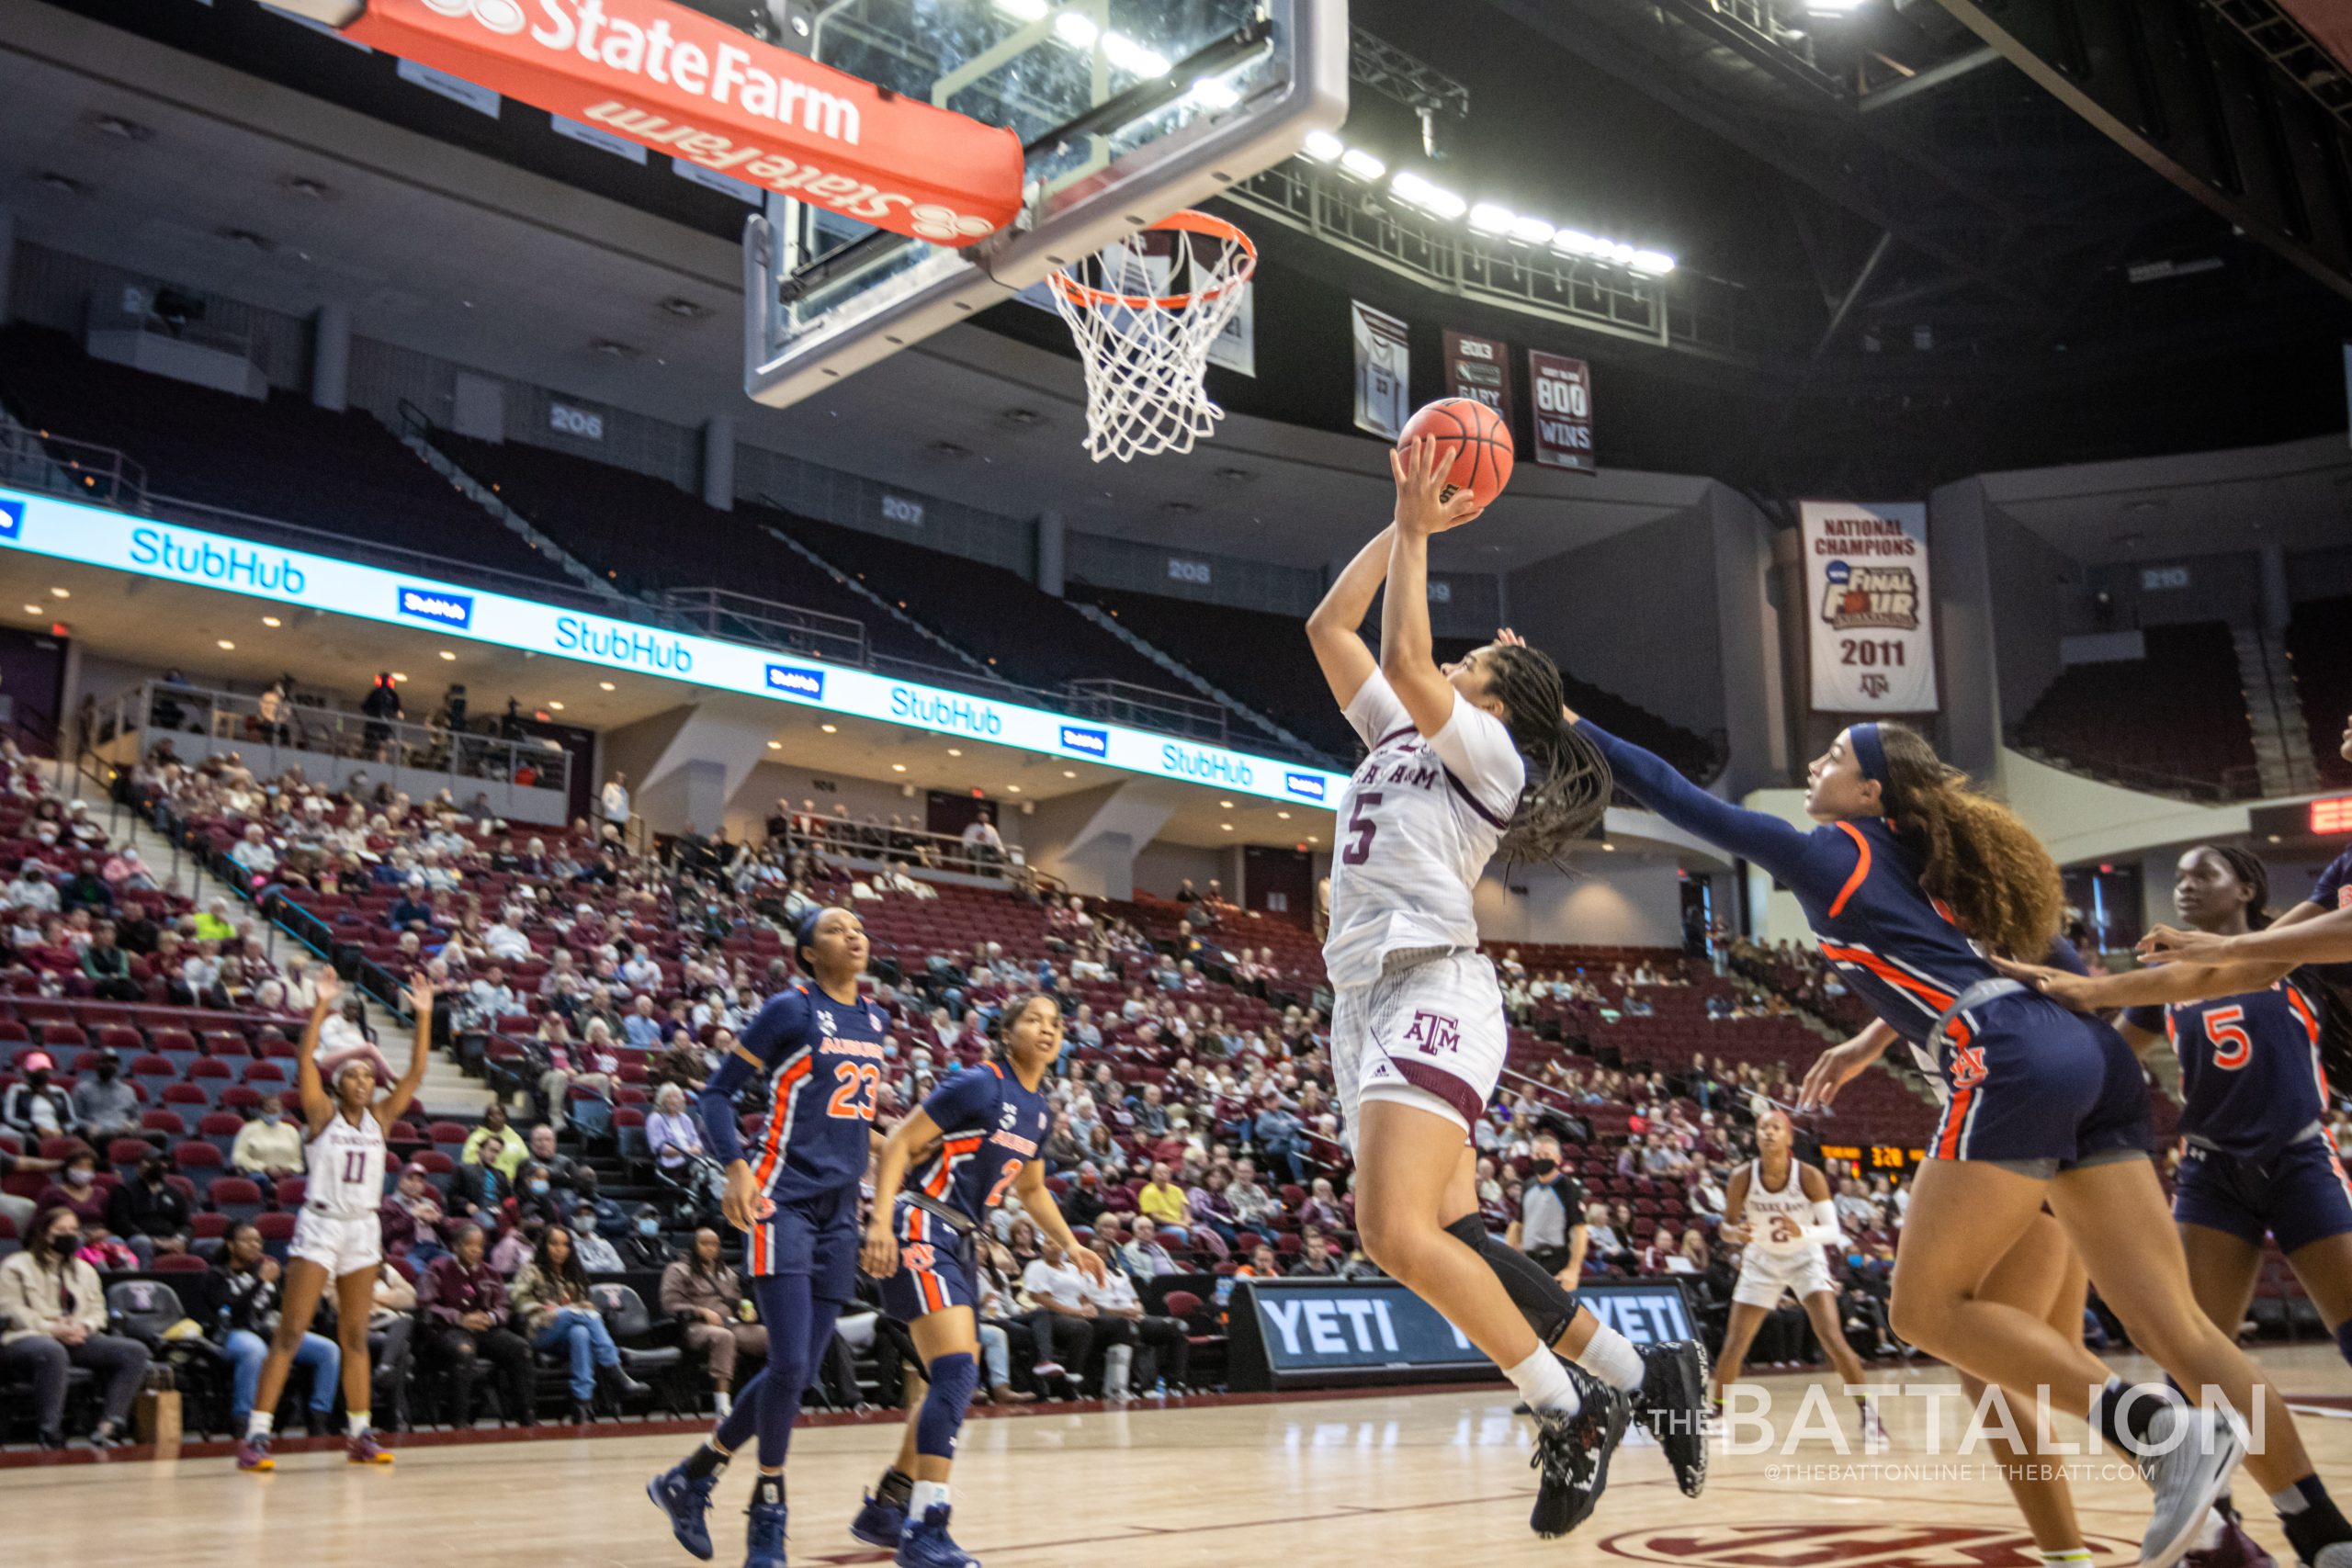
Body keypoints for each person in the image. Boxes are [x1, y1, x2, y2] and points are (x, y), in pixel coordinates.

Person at [1592, 710, 2329, 1568]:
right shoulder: (1969, 873)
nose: (1813, 763)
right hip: (2090, 1070)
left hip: (2016, 1087)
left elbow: (1679, 797)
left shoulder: (1833, 852)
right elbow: (2053, 978)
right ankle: (2313, 1532)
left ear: (1872, 793)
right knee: (2162, 1337)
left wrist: (1564, 720)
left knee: (1937, 1318)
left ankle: (2163, 1449)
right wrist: (1876, 1035)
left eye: (1834, 755)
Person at [1303, 440, 1706, 1537]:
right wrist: (1401, 526)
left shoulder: (1490, 754)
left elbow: (1403, 646)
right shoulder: (1401, 733)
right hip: (1361, 1001)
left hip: (1432, 982)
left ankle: (1565, 1407)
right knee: (1455, 1239)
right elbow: (1331, 632)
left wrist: (1422, 522)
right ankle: (1643, 1371)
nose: (1464, 655)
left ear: (1500, 694)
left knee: (1390, 1232)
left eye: (1482, 654)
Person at [645, 907, 888, 1568]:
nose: (854, 933)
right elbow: (718, 1094)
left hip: (842, 1211)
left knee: (802, 1372)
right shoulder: (790, 1008)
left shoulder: (876, 1018)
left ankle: (692, 1474)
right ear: (809, 952)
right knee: (785, 1365)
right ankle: (767, 1509)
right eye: (836, 928)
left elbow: (854, 1120)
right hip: (783, 1200)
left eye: (858, 926)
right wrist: (735, 1166)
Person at [847, 993, 1106, 1567]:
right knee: (959, 1374)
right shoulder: (977, 1084)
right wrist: (882, 1221)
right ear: (1006, 1031)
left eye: (1056, 1022)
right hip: (921, 1223)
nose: (1047, 1028)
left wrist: (1072, 1245)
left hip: (961, 1239)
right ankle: (926, 1527)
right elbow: (899, 1145)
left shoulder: (1038, 1109)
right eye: (1033, 1019)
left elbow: (1032, 1190)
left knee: (951, 1380)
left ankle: (888, 1507)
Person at [235, 971, 433, 1472]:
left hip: (362, 1228)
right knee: (292, 1330)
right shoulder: (320, 1115)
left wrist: (424, 1014)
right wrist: (321, 1004)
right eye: (353, 1075)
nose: (363, 1081)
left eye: (368, 1075)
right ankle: (257, 1434)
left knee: (355, 1334)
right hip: (321, 1225)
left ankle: (360, 1431)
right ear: (338, 1083)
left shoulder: (383, 1118)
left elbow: (414, 1071)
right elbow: (303, 1060)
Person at [1709, 1110, 1883, 1439]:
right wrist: (1737, 1234)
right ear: (1756, 1137)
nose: (1768, 1133)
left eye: (1776, 1128)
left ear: (1789, 1137)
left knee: (1832, 1337)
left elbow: (1832, 1232)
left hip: (1804, 1258)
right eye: (1763, 1128)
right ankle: (1717, 1413)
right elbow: (1726, 1230)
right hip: (1761, 1260)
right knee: (1735, 1342)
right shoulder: (1742, 1177)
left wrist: (1800, 1231)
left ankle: (1869, 1414)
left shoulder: (1809, 1176)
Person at [0, 1204, 152, 1448]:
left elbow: (98, 1310)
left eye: (73, 1230)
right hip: (25, 1338)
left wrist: (84, 1327)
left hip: (75, 1337)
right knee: (52, 1350)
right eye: (62, 1230)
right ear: (44, 1232)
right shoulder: (16, 1266)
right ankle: (49, 1430)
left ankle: (110, 1426)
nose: (69, 1235)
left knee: (134, 1351)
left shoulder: (85, 1269)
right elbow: (11, 1310)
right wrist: (52, 1328)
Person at [202, 1222, 340, 1438]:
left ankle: (319, 1416)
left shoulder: (267, 1272)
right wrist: (259, 1282)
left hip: (268, 1331)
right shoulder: (216, 1275)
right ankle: (243, 1419)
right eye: (248, 1241)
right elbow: (230, 1309)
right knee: (255, 1351)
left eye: (258, 1241)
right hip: (234, 1332)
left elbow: (277, 1308)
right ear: (231, 1245)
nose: (255, 1245)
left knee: (328, 1350)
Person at [511, 1224, 645, 1423]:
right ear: (544, 1246)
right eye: (554, 1244)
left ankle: (581, 1403)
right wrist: (541, 1307)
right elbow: (517, 1298)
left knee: (581, 1333)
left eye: (565, 1245)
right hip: (540, 1330)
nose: (559, 1249)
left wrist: (580, 1306)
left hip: (568, 1332)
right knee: (585, 1316)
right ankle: (615, 1371)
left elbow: (585, 1302)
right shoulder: (532, 1270)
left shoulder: (573, 1272)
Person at [421, 1223, 537, 1426]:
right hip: (449, 1331)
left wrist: (491, 1317)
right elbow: (427, 1306)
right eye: (469, 1245)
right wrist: (459, 1318)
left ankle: (526, 1415)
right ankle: (460, 1420)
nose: (475, 1250)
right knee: (464, 1350)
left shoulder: (491, 1273)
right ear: (455, 1247)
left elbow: (503, 1306)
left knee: (520, 1348)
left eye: (480, 1246)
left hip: (485, 1329)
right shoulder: (438, 1268)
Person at [662, 1228, 767, 1418]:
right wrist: (700, 1311)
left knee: (771, 1337)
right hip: (696, 1327)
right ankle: (723, 1405)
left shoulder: (728, 1273)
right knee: (724, 1337)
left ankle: (769, 1395)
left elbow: (738, 1302)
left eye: (715, 1244)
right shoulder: (678, 1270)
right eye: (705, 1243)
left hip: (732, 1324)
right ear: (694, 1245)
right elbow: (669, 1304)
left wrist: (747, 1313)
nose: (711, 1248)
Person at [232, 1094, 306, 1179]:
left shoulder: (291, 1130)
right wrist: (264, 1167)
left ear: (282, 1109)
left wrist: (289, 1168)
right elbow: (239, 1156)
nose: (273, 1109)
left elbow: (299, 1161)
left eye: (276, 1106)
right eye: (268, 1106)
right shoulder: (248, 1129)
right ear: (261, 1109)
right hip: (258, 1176)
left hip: (288, 1176)